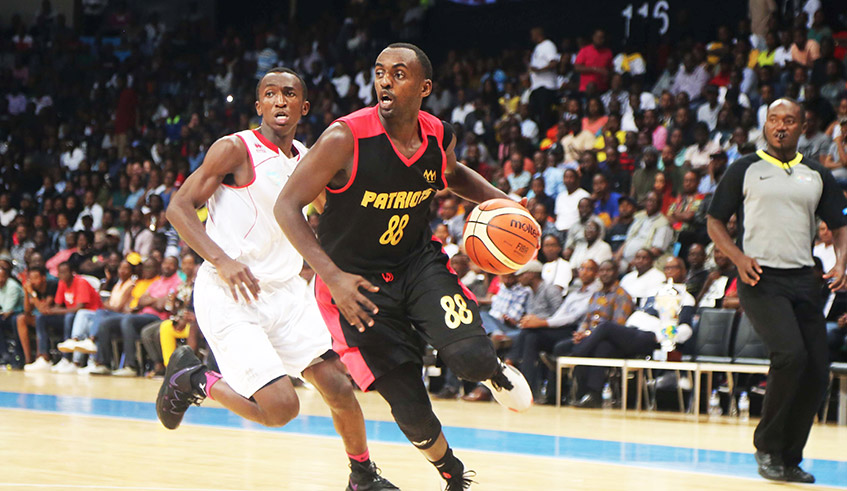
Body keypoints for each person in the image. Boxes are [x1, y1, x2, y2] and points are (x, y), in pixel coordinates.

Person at [274, 44, 532, 490]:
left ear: (424, 87)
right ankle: (452, 474)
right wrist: (331, 276)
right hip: (356, 285)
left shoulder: (438, 135)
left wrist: (501, 200)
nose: (386, 81)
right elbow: (287, 206)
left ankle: (493, 373)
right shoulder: (344, 138)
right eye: (380, 73)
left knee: (469, 359)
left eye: (399, 73)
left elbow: (451, 174)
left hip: (416, 262)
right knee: (411, 408)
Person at [161, 67, 397, 491]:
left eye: (289, 94)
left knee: (338, 386)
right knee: (281, 408)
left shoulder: (309, 159)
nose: (280, 101)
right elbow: (178, 207)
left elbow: (331, 216)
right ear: (259, 106)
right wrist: (222, 259)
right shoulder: (234, 149)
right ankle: (195, 379)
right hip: (231, 291)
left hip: (287, 293)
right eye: (270, 94)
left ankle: (362, 478)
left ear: (303, 107)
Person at [707, 98, 847, 484]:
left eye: (789, 120)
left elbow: (839, 225)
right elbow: (715, 220)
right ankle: (767, 448)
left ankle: (789, 457)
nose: (780, 126)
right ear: (765, 126)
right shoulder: (745, 169)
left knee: (817, 370)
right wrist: (737, 257)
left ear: (803, 127)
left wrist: (841, 262)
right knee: (790, 356)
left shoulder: (817, 174)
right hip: (760, 278)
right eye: (773, 120)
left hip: (804, 278)